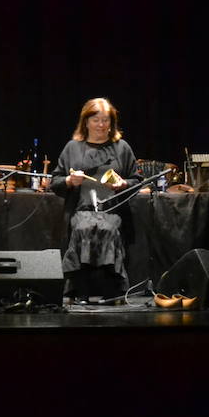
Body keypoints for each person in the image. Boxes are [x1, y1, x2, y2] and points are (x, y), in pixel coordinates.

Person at [50, 98, 139, 301]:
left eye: (106, 120)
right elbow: (55, 181)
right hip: (81, 209)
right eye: (96, 120)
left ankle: (112, 291)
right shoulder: (73, 147)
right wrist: (70, 181)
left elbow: (137, 181)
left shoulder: (121, 148)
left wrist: (124, 184)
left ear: (112, 123)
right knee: (83, 228)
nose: (101, 125)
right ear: (86, 122)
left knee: (107, 229)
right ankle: (80, 292)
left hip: (113, 210)